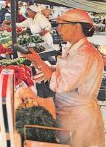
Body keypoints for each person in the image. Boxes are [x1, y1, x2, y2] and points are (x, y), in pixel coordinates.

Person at [22, 9, 105, 147]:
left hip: (80, 119)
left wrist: (39, 61)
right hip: (68, 113)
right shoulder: (76, 49)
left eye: (62, 24)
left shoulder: (85, 54)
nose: (58, 29)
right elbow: (66, 72)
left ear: (77, 26)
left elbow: (61, 84)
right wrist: (47, 68)